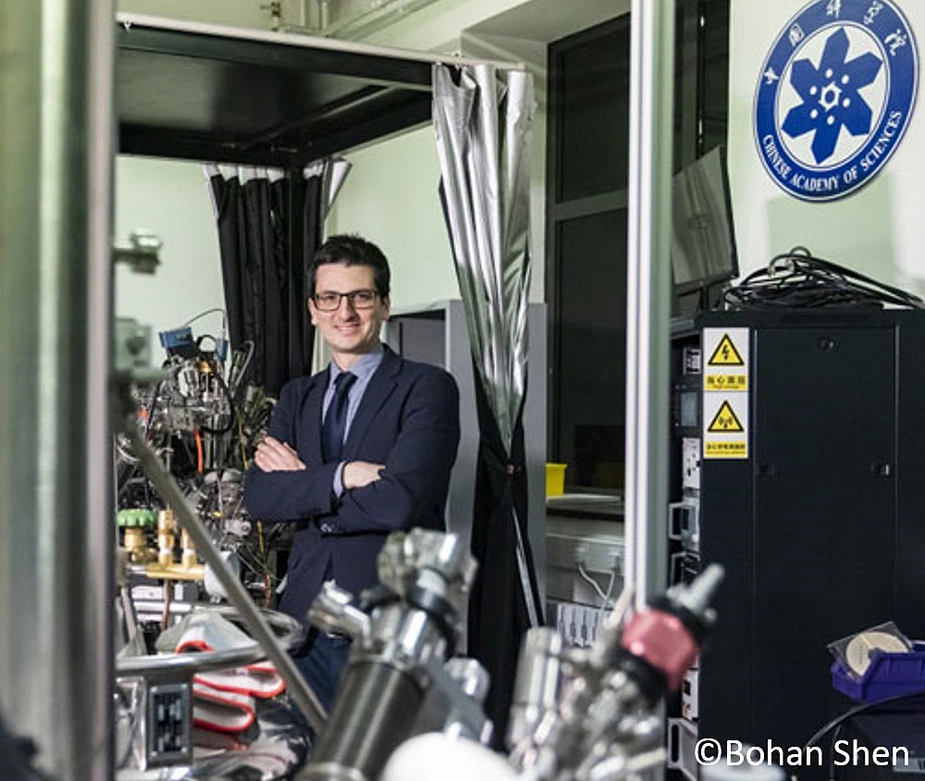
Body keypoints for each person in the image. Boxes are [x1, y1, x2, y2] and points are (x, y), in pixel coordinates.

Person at [243, 234, 460, 709]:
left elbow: (399, 501)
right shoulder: (298, 396)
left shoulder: (426, 388)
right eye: (331, 298)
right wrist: (344, 474)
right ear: (312, 309)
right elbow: (260, 497)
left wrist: (307, 488)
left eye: (361, 297)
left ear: (384, 304)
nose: (346, 312)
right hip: (303, 629)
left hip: (386, 625)